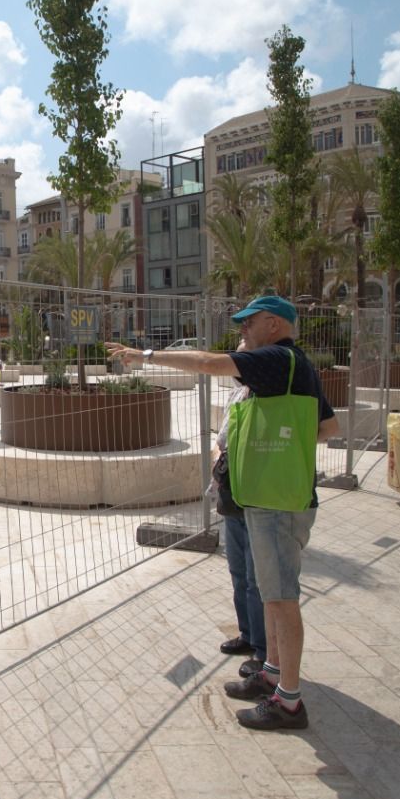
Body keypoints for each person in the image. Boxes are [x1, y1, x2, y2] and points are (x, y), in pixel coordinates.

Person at [109, 295, 339, 731]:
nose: (242, 332)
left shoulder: (279, 357)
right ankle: (271, 673)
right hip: (273, 494)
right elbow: (329, 427)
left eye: (248, 323)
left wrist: (147, 355)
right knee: (271, 595)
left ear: (273, 324)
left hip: (278, 500)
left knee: (282, 598)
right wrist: (285, 442)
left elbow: (209, 362)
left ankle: (289, 702)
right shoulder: (295, 367)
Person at [214, 341, 265, 679]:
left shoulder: (270, 393)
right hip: (232, 486)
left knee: (256, 577)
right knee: (237, 570)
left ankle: (264, 651)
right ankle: (248, 635)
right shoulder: (238, 393)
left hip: (259, 490)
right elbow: (223, 435)